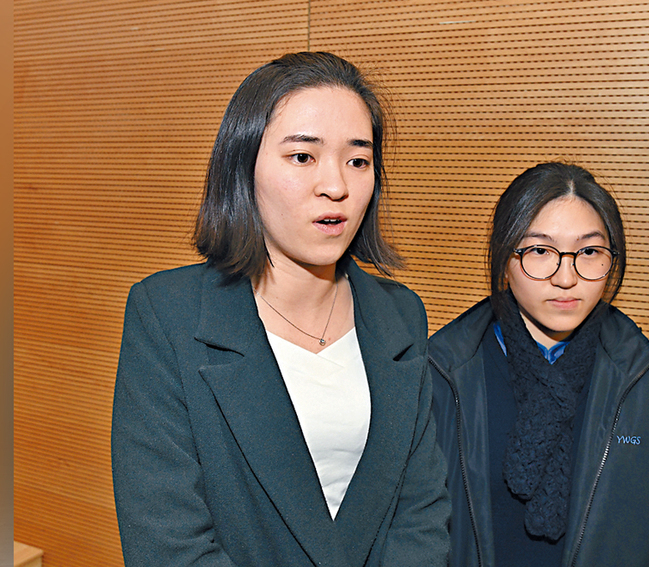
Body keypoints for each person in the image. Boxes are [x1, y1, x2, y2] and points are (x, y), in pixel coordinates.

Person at [112, 52, 450, 567]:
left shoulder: (400, 315)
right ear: (242, 167)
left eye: (358, 160)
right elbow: (169, 543)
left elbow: (422, 516)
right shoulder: (167, 314)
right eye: (302, 157)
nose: (335, 185)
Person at [429, 162, 649, 566]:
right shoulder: (441, 374)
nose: (566, 277)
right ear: (505, 259)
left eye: (589, 252)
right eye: (540, 251)